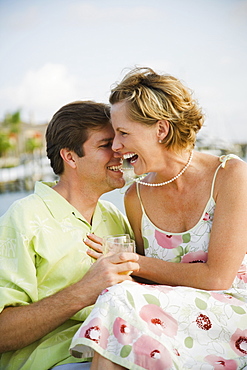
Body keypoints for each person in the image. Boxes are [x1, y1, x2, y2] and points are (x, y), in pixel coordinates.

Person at [70, 68, 247, 369]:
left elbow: (217, 278)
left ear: (161, 130)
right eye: (114, 136)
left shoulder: (230, 176)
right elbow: (147, 279)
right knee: (119, 299)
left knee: (119, 298)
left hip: (232, 315)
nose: (115, 147)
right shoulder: (135, 197)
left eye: (124, 133)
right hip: (169, 319)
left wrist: (131, 261)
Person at [0, 100, 140, 370]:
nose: (119, 152)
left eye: (119, 142)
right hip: (57, 362)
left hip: (121, 350)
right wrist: (84, 291)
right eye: (105, 145)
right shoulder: (23, 218)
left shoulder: (113, 216)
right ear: (70, 157)